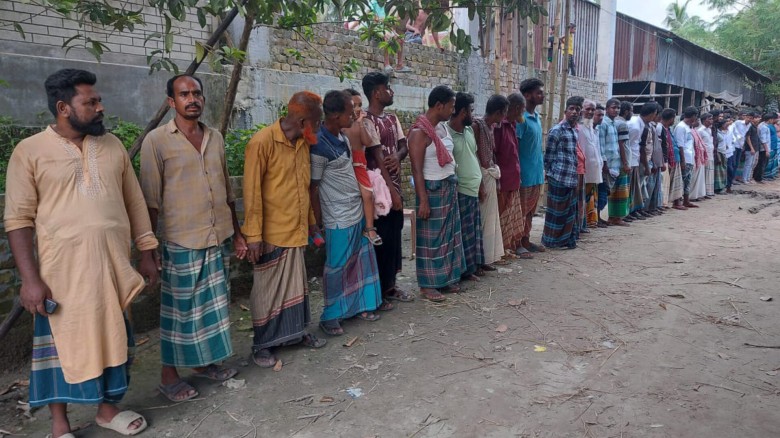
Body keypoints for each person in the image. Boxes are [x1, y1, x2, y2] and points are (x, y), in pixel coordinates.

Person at [5, 69, 158, 437]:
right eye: (90, 102)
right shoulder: (29, 152)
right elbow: (18, 220)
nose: (100, 107)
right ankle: (60, 425)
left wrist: (147, 251)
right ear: (63, 107)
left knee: (115, 341)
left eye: (98, 99)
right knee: (58, 350)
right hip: (62, 277)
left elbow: (134, 203)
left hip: (113, 270)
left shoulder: (113, 146)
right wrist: (30, 280)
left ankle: (108, 410)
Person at [141, 74, 242, 402]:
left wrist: (238, 233)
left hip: (219, 235)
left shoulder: (214, 137)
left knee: (213, 307)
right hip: (181, 240)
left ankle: (206, 363)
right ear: (172, 102)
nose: (192, 99)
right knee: (180, 311)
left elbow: (227, 190)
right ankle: (169, 377)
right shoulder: (157, 141)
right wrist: (148, 249)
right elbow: (150, 200)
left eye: (196, 93)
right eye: (184, 94)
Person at [242, 91, 328, 368]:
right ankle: (263, 345)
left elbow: (304, 189)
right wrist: (253, 237)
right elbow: (252, 193)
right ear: (303, 119)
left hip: (296, 230)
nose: (318, 128)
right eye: (316, 122)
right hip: (270, 234)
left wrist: (313, 223)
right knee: (267, 294)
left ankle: (296, 334)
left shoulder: (303, 144)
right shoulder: (262, 142)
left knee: (296, 289)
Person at [309, 90, 382, 336]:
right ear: (336, 114)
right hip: (337, 216)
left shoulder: (343, 137)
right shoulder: (318, 144)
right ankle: (330, 315)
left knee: (360, 261)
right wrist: (316, 223)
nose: (355, 115)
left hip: (356, 209)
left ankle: (359, 306)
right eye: (350, 112)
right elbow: (314, 187)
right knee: (337, 267)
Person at [408, 85, 466, 302]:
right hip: (431, 189)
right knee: (430, 239)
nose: (453, 110)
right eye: (451, 106)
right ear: (439, 105)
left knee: (449, 236)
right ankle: (428, 284)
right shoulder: (418, 132)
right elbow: (416, 168)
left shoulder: (442, 128)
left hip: (448, 186)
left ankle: (446, 278)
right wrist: (423, 199)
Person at [361, 72, 415, 303]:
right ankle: (379, 289)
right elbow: (373, 155)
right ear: (376, 93)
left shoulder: (392, 119)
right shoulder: (365, 120)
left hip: (395, 184)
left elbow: (405, 146)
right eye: (387, 88)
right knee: (381, 235)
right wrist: (391, 190)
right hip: (377, 189)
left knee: (394, 234)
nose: (391, 92)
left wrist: (398, 155)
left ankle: (391, 285)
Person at [447, 92, 486, 280]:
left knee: (472, 232)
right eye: (471, 110)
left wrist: (481, 186)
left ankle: (471, 268)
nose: (473, 113)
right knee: (462, 234)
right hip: (460, 190)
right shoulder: (447, 134)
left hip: (473, 187)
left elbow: (475, 156)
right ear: (463, 112)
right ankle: (463, 271)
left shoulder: (470, 131)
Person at [343, 88, 384, 246]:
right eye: (355, 105)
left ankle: (369, 228)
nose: (358, 108)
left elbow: (367, 142)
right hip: (345, 165)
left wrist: (361, 124)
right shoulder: (342, 126)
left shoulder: (361, 124)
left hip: (359, 164)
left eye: (360, 104)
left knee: (368, 195)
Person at [542, 96, 582, 249]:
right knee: (556, 213)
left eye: (577, 110)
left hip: (571, 177)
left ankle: (565, 241)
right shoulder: (556, 130)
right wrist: (551, 175)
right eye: (571, 109)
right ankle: (551, 241)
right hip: (558, 177)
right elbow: (549, 156)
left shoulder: (574, 131)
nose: (574, 112)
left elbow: (573, 156)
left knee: (569, 213)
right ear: (565, 112)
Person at [472, 95, 508, 268]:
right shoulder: (477, 126)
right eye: (504, 113)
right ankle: (480, 260)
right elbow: (475, 156)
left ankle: (487, 258)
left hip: (490, 174)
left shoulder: (491, 127)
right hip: (481, 176)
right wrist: (480, 183)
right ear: (499, 112)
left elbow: (491, 154)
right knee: (482, 220)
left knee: (491, 221)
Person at [517, 79, 548, 253]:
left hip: (536, 173)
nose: (542, 96)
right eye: (539, 93)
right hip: (524, 174)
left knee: (530, 211)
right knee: (521, 210)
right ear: (527, 95)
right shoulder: (520, 120)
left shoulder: (536, 117)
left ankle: (526, 240)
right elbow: (515, 147)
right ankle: (517, 244)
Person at [495, 93, 526, 257]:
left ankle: (507, 248)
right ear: (516, 108)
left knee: (510, 217)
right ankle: (499, 250)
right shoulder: (499, 127)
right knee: (501, 217)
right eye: (522, 109)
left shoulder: (513, 125)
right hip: (503, 181)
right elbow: (495, 154)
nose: (523, 112)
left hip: (513, 180)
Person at [601, 98, 631, 226]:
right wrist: (625, 163)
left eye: (618, 108)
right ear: (607, 109)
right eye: (613, 107)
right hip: (609, 164)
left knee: (616, 192)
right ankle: (612, 217)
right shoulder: (605, 124)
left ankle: (614, 217)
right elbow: (603, 145)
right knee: (607, 193)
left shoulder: (614, 123)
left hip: (615, 163)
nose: (616, 110)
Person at [627, 103, 657, 220]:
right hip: (632, 160)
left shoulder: (641, 124)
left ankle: (633, 210)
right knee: (630, 188)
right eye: (654, 115)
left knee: (635, 188)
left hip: (635, 159)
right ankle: (627, 212)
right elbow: (628, 145)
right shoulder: (635, 126)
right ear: (650, 114)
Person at [578, 100, 602, 230]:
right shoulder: (579, 128)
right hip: (584, 169)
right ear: (581, 110)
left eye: (593, 110)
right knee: (582, 198)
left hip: (594, 169)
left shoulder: (592, 128)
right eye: (588, 109)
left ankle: (588, 222)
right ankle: (582, 224)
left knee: (591, 196)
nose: (590, 112)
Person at [674, 106, 699, 208]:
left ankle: (686, 200)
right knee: (681, 180)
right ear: (693, 116)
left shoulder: (687, 127)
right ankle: (677, 201)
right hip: (685, 157)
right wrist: (683, 161)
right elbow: (680, 145)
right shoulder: (681, 127)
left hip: (690, 157)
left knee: (688, 180)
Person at [659, 108, 684, 210]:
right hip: (666, 160)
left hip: (672, 159)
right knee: (664, 183)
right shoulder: (661, 128)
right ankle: (663, 203)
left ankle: (668, 202)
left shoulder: (668, 129)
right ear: (671, 118)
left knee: (670, 182)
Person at [697, 113, 716, 197]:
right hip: (704, 154)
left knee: (709, 172)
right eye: (710, 119)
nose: (712, 121)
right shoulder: (700, 130)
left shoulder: (709, 130)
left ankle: (708, 192)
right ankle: (703, 192)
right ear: (704, 120)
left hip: (710, 153)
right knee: (705, 173)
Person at [754, 113, 774, 184]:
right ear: (770, 119)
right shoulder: (764, 127)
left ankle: (757, 176)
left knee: (761, 162)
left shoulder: (762, 125)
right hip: (764, 148)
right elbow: (763, 139)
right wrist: (767, 150)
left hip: (763, 147)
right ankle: (759, 178)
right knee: (763, 163)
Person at [731, 111, 750, 183]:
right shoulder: (737, 122)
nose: (747, 118)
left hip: (741, 145)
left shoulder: (749, 125)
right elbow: (733, 132)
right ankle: (731, 178)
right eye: (746, 116)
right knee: (733, 162)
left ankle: (733, 178)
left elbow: (744, 136)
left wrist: (743, 145)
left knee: (736, 163)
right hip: (734, 145)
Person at [742, 112, 761, 185]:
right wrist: (751, 148)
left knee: (752, 164)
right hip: (750, 148)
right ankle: (745, 179)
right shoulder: (750, 126)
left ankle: (748, 178)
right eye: (757, 118)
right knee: (748, 164)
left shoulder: (754, 126)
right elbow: (747, 137)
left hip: (755, 148)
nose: (758, 119)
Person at [715, 117, 733, 193]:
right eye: (725, 124)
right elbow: (716, 146)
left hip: (725, 152)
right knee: (719, 171)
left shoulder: (724, 132)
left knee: (724, 171)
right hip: (719, 153)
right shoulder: (717, 133)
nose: (727, 125)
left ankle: (723, 186)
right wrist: (718, 156)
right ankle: (718, 188)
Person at [764, 112, 779, 181]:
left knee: (773, 161)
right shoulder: (768, 126)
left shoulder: (773, 126)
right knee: (769, 161)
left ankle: (771, 174)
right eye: (776, 119)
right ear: (772, 119)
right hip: (770, 145)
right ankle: (766, 175)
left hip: (775, 145)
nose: (777, 120)